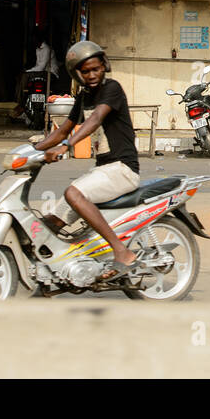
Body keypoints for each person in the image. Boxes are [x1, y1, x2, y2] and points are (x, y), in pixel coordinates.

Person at [34, 41, 142, 281]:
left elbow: (95, 119)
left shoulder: (112, 89)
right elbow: (62, 131)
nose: (92, 75)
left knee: (73, 193)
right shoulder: (83, 96)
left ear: (104, 67)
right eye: (86, 71)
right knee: (53, 220)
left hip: (123, 169)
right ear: (77, 74)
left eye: (96, 69)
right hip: (104, 170)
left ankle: (121, 251)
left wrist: (67, 147)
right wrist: (30, 151)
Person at [10, 28, 61, 121]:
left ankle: (20, 103)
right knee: (21, 76)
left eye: (34, 38)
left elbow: (41, 67)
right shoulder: (38, 49)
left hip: (50, 74)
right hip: (41, 72)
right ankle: (21, 100)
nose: (33, 41)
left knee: (24, 76)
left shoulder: (46, 49)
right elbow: (38, 66)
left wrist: (28, 72)